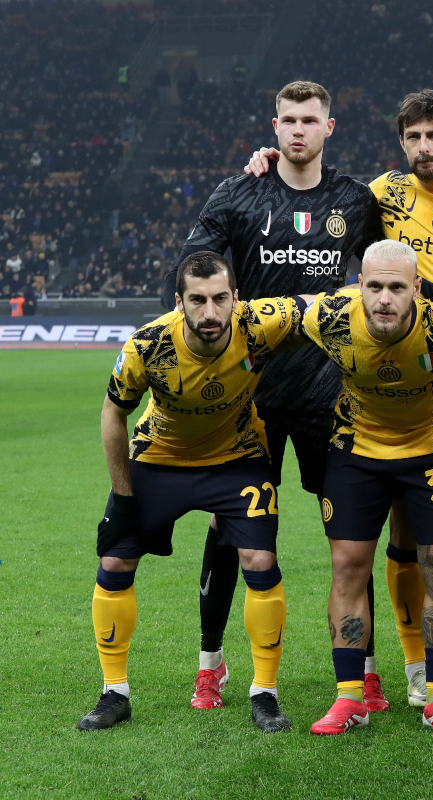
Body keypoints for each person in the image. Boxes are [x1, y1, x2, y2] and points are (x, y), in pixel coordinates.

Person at [242, 88, 433, 707]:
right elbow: (312, 192)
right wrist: (270, 161)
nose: (423, 147)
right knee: (404, 533)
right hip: (395, 382)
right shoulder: (381, 194)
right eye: (412, 137)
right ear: (402, 143)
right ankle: (418, 666)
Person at [163, 80, 387, 714]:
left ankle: (365, 673)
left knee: (351, 536)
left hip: (328, 395)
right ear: (273, 126)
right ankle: (211, 665)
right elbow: (188, 271)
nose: (297, 130)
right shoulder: (239, 192)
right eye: (287, 120)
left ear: (329, 127)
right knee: (231, 533)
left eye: (308, 120)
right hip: (248, 397)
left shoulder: (355, 200)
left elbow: (408, 245)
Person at [78, 252, 309, 733]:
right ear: (180, 303)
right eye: (198, 300)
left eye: (220, 299)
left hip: (237, 457)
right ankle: (113, 692)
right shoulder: (148, 344)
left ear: (235, 298)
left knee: (260, 561)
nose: (210, 312)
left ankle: (264, 693)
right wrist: (123, 496)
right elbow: (112, 412)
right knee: (115, 561)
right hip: (160, 458)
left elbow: (324, 306)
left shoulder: (258, 324)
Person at [301, 239, 433, 735]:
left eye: (396, 287)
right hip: (356, 453)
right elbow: (253, 322)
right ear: (358, 287)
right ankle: (348, 697)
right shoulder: (328, 316)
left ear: (416, 288)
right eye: (373, 287)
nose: (384, 299)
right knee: (348, 567)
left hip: (431, 449)